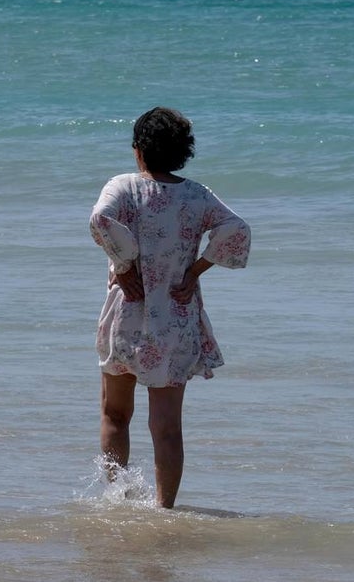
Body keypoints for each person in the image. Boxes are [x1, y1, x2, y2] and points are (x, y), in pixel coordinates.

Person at [89, 107, 251, 508]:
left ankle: (119, 499)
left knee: (115, 415)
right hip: (176, 317)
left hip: (128, 312)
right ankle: (164, 511)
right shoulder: (197, 195)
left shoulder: (123, 187)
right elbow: (237, 229)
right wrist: (194, 271)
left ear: (138, 150)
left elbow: (100, 219)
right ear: (183, 152)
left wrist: (124, 264)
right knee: (167, 428)